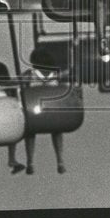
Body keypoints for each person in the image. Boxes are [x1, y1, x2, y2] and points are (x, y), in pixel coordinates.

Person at [21, 47, 67, 175]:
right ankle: (59, 160)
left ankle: (30, 161)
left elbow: (21, 86)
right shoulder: (56, 75)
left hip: (38, 109)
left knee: (31, 132)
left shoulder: (30, 74)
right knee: (55, 131)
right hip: (47, 109)